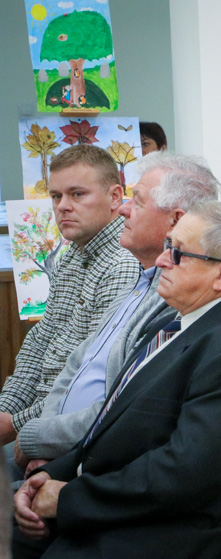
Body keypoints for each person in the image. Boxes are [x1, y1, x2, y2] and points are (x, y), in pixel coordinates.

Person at [13, 202, 221, 559]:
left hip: (169, 535)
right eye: (166, 246)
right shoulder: (176, 324)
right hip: (118, 505)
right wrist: (48, 479)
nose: (161, 261)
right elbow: (109, 426)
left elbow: (184, 475)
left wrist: (67, 498)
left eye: (177, 253)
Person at [12, 152, 221, 477]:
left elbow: (123, 409)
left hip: (89, 465)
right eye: (56, 196)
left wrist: (39, 440)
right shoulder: (142, 279)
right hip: (59, 447)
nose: (123, 209)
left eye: (136, 201)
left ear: (175, 221)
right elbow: (73, 365)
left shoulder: (174, 298)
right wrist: (39, 433)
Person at [0, 146, 140, 446]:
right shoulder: (73, 255)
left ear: (115, 197)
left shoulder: (123, 263)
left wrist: (17, 424)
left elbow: (90, 378)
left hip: (70, 429)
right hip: (38, 417)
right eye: (56, 196)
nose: (62, 206)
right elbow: (41, 340)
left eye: (77, 194)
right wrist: (6, 410)